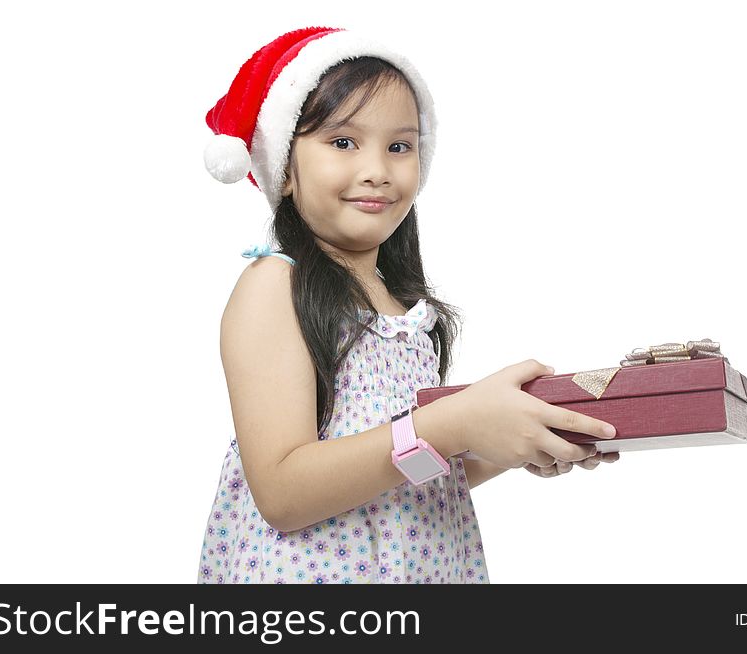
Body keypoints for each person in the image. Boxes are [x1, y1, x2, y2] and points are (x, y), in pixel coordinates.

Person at [197, 25, 619, 585]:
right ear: (286, 167)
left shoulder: (403, 312)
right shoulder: (276, 287)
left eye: (400, 146)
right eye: (343, 142)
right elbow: (282, 492)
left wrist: (503, 444)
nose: (377, 169)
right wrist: (448, 423)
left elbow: (400, 469)